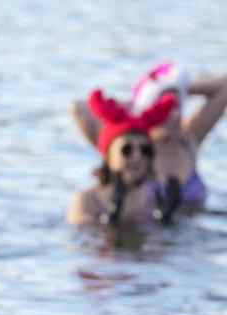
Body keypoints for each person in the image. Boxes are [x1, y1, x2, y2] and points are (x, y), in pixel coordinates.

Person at [71, 62, 227, 209]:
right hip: (147, 234)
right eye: (165, 108)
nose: (175, 115)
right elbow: (79, 107)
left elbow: (224, 86)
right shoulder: (131, 149)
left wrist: (177, 85)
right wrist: (139, 99)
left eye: (177, 106)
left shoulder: (188, 138)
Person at [66, 90, 177, 227]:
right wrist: (112, 216)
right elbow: (85, 243)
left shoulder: (153, 199)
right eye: (127, 150)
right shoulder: (86, 199)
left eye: (145, 150)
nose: (137, 157)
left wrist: (166, 220)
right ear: (107, 156)